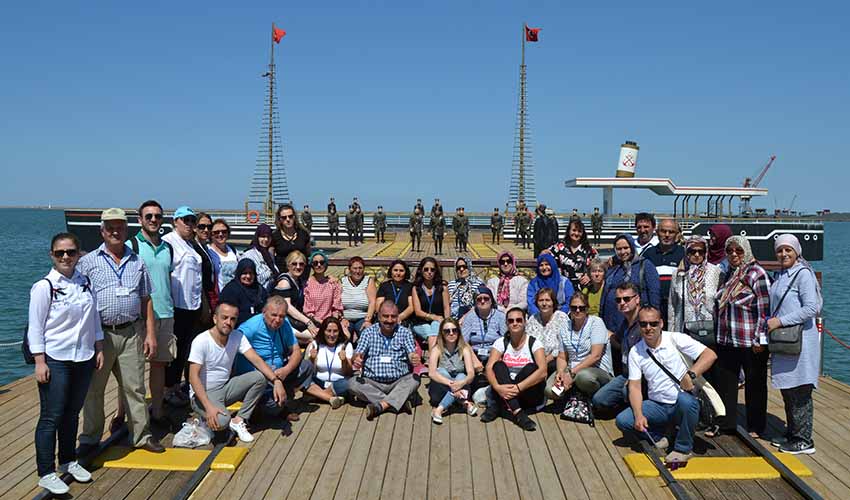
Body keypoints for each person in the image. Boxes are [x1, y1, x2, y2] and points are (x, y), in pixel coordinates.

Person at [77, 208, 164, 455]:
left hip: (131, 332)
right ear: (102, 231)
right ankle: (90, 438)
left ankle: (141, 435)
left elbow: (147, 299)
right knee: (94, 390)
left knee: (134, 388)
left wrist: (150, 334)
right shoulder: (87, 262)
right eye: (110, 227)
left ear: (126, 230)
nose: (115, 232)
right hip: (100, 336)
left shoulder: (137, 261)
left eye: (119, 227)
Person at [28, 233, 104, 494]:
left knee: (72, 413)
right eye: (60, 253)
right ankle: (46, 472)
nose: (65, 257)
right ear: (52, 255)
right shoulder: (44, 287)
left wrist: (99, 347)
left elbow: (94, 318)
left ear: (78, 254)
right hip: (56, 358)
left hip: (83, 356)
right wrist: (40, 361)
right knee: (52, 416)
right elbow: (35, 328)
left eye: (70, 252)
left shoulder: (85, 282)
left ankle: (68, 460)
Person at [615, 306, 717, 464]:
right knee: (624, 420)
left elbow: (710, 355)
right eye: (643, 324)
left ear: (661, 323)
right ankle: (661, 435)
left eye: (653, 323)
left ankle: (682, 449)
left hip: (680, 402)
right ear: (638, 326)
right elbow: (634, 387)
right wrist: (639, 414)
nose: (648, 328)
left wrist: (691, 374)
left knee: (686, 401)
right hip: (658, 405)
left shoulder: (676, 339)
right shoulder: (636, 351)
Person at [188, 301, 286, 443]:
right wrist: (208, 407)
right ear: (215, 318)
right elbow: (193, 377)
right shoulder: (201, 341)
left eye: (233, 319)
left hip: (224, 388)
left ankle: (239, 420)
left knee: (260, 377)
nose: (228, 322)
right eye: (224, 317)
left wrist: (276, 381)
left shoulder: (237, 336)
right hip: (202, 394)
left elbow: (256, 359)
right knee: (222, 421)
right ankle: (207, 417)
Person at [768, 235, 823, 455]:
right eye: (780, 250)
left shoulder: (803, 274)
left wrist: (780, 321)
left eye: (788, 250)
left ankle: (804, 440)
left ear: (797, 251)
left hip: (801, 341)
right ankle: (793, 432)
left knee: (800, 390)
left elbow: (812, 308)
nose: (784, 254)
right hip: (785, 341)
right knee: (788, 389)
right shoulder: (781, 274)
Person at [712, 235, 770, 438]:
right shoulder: (728, 274)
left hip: (750, 340)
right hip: (727, 339)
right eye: (729, 251)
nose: (734, 254)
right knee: (726, 383)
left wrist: (760, 339)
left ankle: (756, 426)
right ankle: (726, 423)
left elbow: (764, 309)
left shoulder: (756, 273)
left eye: (739, 250)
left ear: (747, 251)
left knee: (755, 384)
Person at [233, 296, 316, 421]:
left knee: (306, 366)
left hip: (279, 372)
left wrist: (286, 370)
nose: (278, 320)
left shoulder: (284, 324)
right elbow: (231, 346)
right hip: (259, 378)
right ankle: (259, 407)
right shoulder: (250, 328)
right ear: (264, 312)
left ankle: (282, 402)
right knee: (274, 405)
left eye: (281, 316)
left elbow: (296, 351)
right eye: (274, 315)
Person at [130, 200, 176, 424]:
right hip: (140, 316)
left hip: (165, 313)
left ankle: (157, 411)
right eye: (148, 216)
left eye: (157, 216)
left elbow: (167, 278)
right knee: (133, 370)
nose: (153, 220)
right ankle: (124, 415)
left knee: (159, 366)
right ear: (140, 219)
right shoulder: (132, 245)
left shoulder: (168, 248)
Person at [350, 301, 422, 420]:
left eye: (393, 316)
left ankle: (381, 406)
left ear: (397, 317)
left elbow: (411, 353)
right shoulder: (368, 332)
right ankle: (398, 402)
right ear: (378, 316)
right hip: (372, 382)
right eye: (385, 316)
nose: (389, 320)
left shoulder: (405, 332)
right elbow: (358, 353)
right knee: (353, 383)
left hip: (398, 381)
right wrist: (357, 358)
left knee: (415, 379)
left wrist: (413, 358)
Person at [163, 206, 204, 408]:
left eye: (192, 220)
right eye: (185, 220)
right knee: (173, 352)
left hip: (192, 306)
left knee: (185, 350)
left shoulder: (190, 244)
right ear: (175, 221)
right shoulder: (168, 243)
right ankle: (167, 389)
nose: (189, 224)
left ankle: (174, 385)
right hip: (177, 306)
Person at [479, 308, 547, 431]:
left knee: (532, 368)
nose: (515, 323)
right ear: (507, 324)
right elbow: (488, 368)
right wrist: (497, 387)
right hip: (504, 390)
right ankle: (518, 413)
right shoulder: (501, 342)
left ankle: (498, 406)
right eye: (511, 321)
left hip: (527, 392)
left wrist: (518, 387)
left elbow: (543, 372)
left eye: (519, 320)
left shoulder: (534, 343)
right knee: (498, 365)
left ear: (525, 322)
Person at [546, 293, 613, 403]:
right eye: (574, 308)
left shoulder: (596, 323)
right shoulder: (565, 326)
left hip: (596, 370)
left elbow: (595, 356)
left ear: (587, 309)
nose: (577, 311)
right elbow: (562, 357)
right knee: (550, 390)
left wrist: (571, 374)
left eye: (581, 308)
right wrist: (560, 373)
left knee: (583, 377)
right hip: (571, 369)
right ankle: (573, 397)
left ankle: (591, 400)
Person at [593, 283, 642, 411]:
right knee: (599, 400)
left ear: (637, 299)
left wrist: (635, 379)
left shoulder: (645, 323)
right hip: (625, 374)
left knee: (627, 393)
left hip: (642, 377)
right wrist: (601, 331)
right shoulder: (625, 322)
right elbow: (617, 341)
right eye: (618, 300)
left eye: (626, 299)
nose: (622, 303)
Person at [600, 234, 661, 335]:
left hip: (637, 322)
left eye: (626, 248)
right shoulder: (613, 267)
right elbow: (605, 293)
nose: (622, 252)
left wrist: (653, 318)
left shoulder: (645, 265)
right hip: (612, 322)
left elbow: (654, 293)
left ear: (632, 247)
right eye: (619, 249)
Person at [461, 286, 507, 405]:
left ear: (491, 300)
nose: (482, 301)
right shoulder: (470, 317)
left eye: (486, 298)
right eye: (479, 299)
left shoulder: (500, 317)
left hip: (494, 353)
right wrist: (474, 360)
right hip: (475, 354)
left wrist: (496, 356)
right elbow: (463, 341)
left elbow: (506, 340)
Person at [667, 236, 721, 338]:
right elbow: (672, 306)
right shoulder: (678, 273)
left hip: (708, 329)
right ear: (686, 252)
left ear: (705, 252)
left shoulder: (715, 272)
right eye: (692, 251)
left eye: (701, 252)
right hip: (683, 330)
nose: (697, 255)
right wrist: (671, 333)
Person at [429, 318, 478, 423]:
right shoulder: (437, 349)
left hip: (461, 386)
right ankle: (464, 403)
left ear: (458, 332)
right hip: (441, 390)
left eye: (454, 330)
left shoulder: (464, 349)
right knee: (441, 371)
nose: (451, 333)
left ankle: (439, 409)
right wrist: (452, 384)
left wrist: (462, 383)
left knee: (461, 376)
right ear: (442, 333)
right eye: (447, 331)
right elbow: (432, 373)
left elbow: (471, 373)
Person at [642, 219, 685, 325]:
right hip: (654, 307)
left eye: (671, 232)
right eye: (663, 231)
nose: (667, 235)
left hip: (677, 308)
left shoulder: (684, 254)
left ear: (676, 234)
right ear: (657, 233)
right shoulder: (648, 254)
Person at [305, 317, 352, 408]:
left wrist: (344, 361)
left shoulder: (346, 346)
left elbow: (349, 373)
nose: (332, 334)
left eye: (335, 331)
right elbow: (309, 372)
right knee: (303, 379)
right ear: (323, 331)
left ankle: (317, 396)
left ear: (339, 332)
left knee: (348, 383)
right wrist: (312, 359)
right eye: (328, 331)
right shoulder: (315, 345)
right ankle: (330, 398)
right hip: (319, 383)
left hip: (338, 383)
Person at [270, 250, 316, 344]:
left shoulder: (298, 281)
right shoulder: (284, 281)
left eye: (301, 264)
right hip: (282, 321)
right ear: (288, 265)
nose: (298, 267)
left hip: (294, 320)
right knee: (316, 336)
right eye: (294, 264)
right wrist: (308, 322)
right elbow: (288, 307)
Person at [545, 218, 599, 291]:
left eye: (579, 231)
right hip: (563, 288)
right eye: (574, 230)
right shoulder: (560, 247)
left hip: (582, 289)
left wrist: (589, 276)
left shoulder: (588, 249)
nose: (576, 233)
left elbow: (598, 265)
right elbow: (545, 255)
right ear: (569, 231)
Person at [526, 288, 570, 374]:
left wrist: (545, 361)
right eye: (541, 300)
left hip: (556, 360)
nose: (544, 304)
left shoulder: (562, 318)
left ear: (553, 302)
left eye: (547, 300)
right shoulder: (533, 319)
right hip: (535, 359)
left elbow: (564, 345)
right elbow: (528, 342)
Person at [411, 257, 450, 350]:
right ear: (421, 271)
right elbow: (418, 311)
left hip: (438, 321)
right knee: (432, 332)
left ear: (436, 271)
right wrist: (433, 317)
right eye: (426, 269)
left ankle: (432, 357)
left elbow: (446, 308)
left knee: (435, 327)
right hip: (421, 322)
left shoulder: (442, 288)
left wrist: (447, 323)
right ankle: (435, 356)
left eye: (432, 270)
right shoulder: (416, 288)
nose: (429, 272)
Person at [303, 250, 346, 330]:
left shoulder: (332, 283)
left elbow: (336, 307)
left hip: (331, 322)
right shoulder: (307, 284)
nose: (319, 265)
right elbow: (308, 311)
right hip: (314, 322)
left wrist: (332, 322)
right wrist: (321, 322)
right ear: (312, 265)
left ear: (326, 264)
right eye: (315, 263)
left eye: (322, 262)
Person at [219, 259, 269, 327]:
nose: (248, 276)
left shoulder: (260, 289)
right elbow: (227, 314)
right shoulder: (230, 290)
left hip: (260, 327)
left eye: (251, 273)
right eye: (245, 273)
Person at [341, 256, 377, 338]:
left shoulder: (368, 281)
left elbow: (372, 302)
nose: (358, 271)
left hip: (362, 317)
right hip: (346, 318)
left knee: (366, 334)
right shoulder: (342, 281)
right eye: (355, 268)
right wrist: (341, 318)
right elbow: (337, 302)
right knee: (343, 335)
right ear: (349, 269)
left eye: (360, 268)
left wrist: (368, 320)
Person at [192, 212, 218, 319]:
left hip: (210, 295)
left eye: (209, 227)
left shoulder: (206, 248)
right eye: (202, 226)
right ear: (195, 228)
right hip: (201, 298)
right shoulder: (193, 248)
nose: (206, 230)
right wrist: (204, 302)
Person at [272, 203, 311, 271]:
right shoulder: (275, 236)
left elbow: (308, 254)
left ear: (294, 217)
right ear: (280, 219)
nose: (288, 219)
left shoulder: (304, 234)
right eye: (284, 217)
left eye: (290, 216)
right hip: (282, 273)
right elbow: (271, 257)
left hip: (301, 273)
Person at [376, 259, 415, 325]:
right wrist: (388, 318)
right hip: (385, 320)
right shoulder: (384, 286)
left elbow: (411, 307)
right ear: (391, 271)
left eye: (401, 271)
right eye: (395, 270)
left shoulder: (410, 286)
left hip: (403, 320)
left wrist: (398, 318)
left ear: (406, 272)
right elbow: (378, 307)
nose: (398, 273)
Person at [241, 223, 279, 290]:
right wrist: (270, 272)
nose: (266, 239)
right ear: (257, 237)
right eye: (263, 236)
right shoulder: (248, 255)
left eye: (268, 237)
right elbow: (248, 278)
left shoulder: (270, 255)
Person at [207, 219, 239, 292]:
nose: (220, 234)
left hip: (235, 294)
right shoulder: (208, 251)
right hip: (218, 295)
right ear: (211, 234)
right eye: (216, 232)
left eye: (224, 231)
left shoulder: (233, 251)